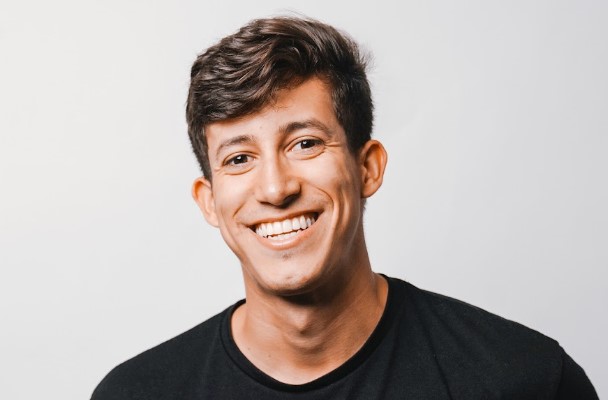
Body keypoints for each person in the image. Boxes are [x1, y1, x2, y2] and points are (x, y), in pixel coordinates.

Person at [91, 16, 598, 399]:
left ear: (367, 168)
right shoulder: (135, 394)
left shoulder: (526, 380)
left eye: (305, 143)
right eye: (239, 158)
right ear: (209, 201)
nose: (275, 188)